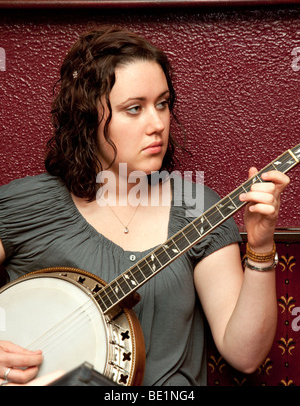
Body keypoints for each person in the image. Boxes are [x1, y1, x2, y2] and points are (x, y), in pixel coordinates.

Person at [0, 28, 290, 386]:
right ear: (86, 118)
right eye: (134, 109)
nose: (157, 124)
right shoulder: (27, 205)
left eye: (163, 104)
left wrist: (261, 248)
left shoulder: (195, 206)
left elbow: (245, 356)